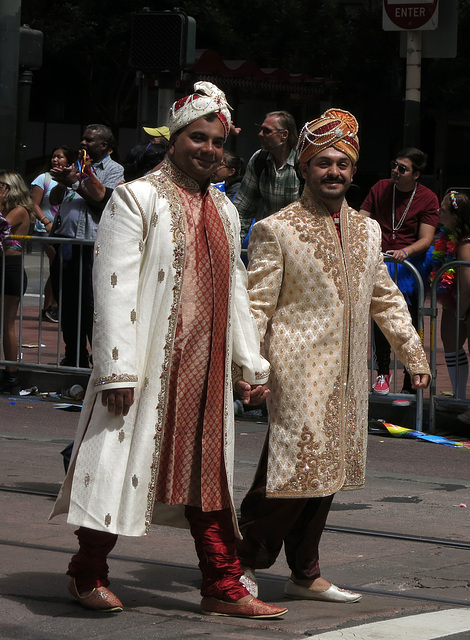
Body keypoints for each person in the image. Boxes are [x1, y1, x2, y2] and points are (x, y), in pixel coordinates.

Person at [49, 81, 288, 620]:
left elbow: (235, 291)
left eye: (216, 141)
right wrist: (117, 371)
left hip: (206, 376)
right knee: (117, 466)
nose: (207, 149)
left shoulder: (225, 210)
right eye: (197, 138)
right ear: (174, 139)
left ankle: (221, 583)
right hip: (147, 370)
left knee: (209, 477)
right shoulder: (137, 198)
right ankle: (85, 573)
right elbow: (114, 286)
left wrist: (249, 365)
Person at [236, 109, 431, 604]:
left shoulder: (367, 231)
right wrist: (250, 367)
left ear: (354, 171)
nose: (334, 173)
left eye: (343, 164)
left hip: (346, 378)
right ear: (304, 166)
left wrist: (415, 356)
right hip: (295, 373)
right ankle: (242, 562)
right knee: (290, 473)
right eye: (323, 163)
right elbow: (256, 306)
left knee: (329, 475)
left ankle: (305, 572)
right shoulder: (276, 229)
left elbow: (383, 296)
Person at [359, 148, 439, 395]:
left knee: (410, 322)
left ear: (416, 174)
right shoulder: (381, 187)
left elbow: (426, 239)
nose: (395, 171)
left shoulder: (428, 197)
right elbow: (362, 219)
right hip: (380, 261)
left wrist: (405, 251)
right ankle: (382, 372)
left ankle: (411, 378)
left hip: (409, 266)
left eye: (402, 168)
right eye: (394, 165)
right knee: (380, 319)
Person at [49, 124, 124, 367]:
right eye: (82, 139)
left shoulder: (114, 169)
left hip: (92, 246)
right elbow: (54, 200)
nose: (83, 144)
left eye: (89, 140)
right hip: (67, 244)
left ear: (104, 146)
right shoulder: (75, 167)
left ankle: (100, 362)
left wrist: (75, 183)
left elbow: (104, 201)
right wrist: (63, 181)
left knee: (92, 306)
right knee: (68, 305)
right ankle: (74, 358)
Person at [431, 190, 470, 423]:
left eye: (443, 209)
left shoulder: (465, 243)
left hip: (464, 304)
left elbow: (467, 283)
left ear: (455, 216)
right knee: (451, 345)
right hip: (455, 303)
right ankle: (458, 398)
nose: (438, 211)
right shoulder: (448, 236)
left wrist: (463, 311)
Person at [234, 110, 301, 240]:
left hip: (297, 242)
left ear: (284, 135)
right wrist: (234, 247)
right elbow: (243, 209)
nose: (260, 134)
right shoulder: (259, 160)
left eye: (267, 131)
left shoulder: (302, 164)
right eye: (261, 129)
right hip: (267, 240)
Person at [31, 145, 77, 322]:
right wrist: (46, 222)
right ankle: (51, 306)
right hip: (46, 231)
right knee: (57, 266)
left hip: (62, 230)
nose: (55, 160)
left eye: (60, 157)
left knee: (57, 267)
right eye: (54, 157)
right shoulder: (44, 178)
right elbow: (34, 204)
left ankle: (52, 306)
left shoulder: (72, 179)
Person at [0, 172, 35, 393]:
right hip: (3, 266)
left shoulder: (19, 211)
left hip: (11, 270)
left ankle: (11, 376)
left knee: (7, 324)